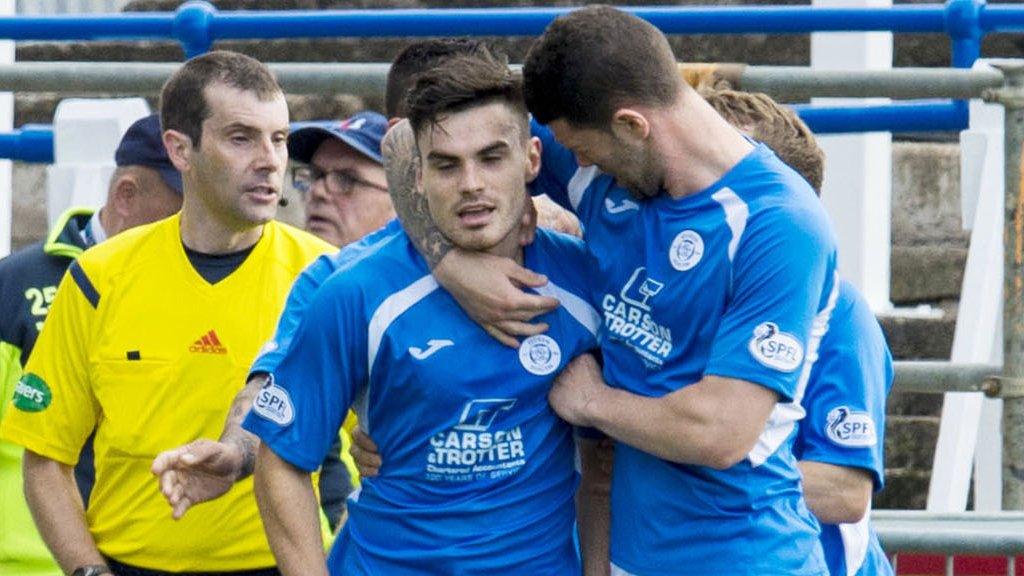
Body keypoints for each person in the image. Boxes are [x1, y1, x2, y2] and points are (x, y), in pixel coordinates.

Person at [385, 8, 839, 574]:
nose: (571, 161)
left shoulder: (779, 225)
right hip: (629, 552)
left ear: (631, 125)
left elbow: (722, 431)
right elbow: (406, 138)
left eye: (582, 147)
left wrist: (590, 402)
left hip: (744, 555)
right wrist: (449, 261)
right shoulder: (601, 170)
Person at [245, 49, 602, 576]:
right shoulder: (355, 293)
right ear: (414, 174)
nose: (471, 183)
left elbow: (604, 463)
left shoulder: (585, 282)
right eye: (445, 164)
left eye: (491, 158)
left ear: (530, 159)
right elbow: (280, 462)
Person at [0, 50, 333, 576]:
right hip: (126, 565)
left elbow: (379, 443)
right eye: (242, 138)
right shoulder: (98, 278)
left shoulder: (324, 276)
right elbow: (45, 460)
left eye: (280, 138)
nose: (270, 160)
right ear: (180, 149)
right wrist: (90, 573)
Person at [703, 89, 895, 576]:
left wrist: (680, 464)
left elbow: (845, 489)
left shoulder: (843, 314)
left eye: (718, 163)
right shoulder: (678, 292)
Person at [0, 113, 182, 576]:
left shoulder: (203, 287)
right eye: (184, 203)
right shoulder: (15, 285)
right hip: (31, 566)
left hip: (153, 560)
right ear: (126, 195)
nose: (195, 222)